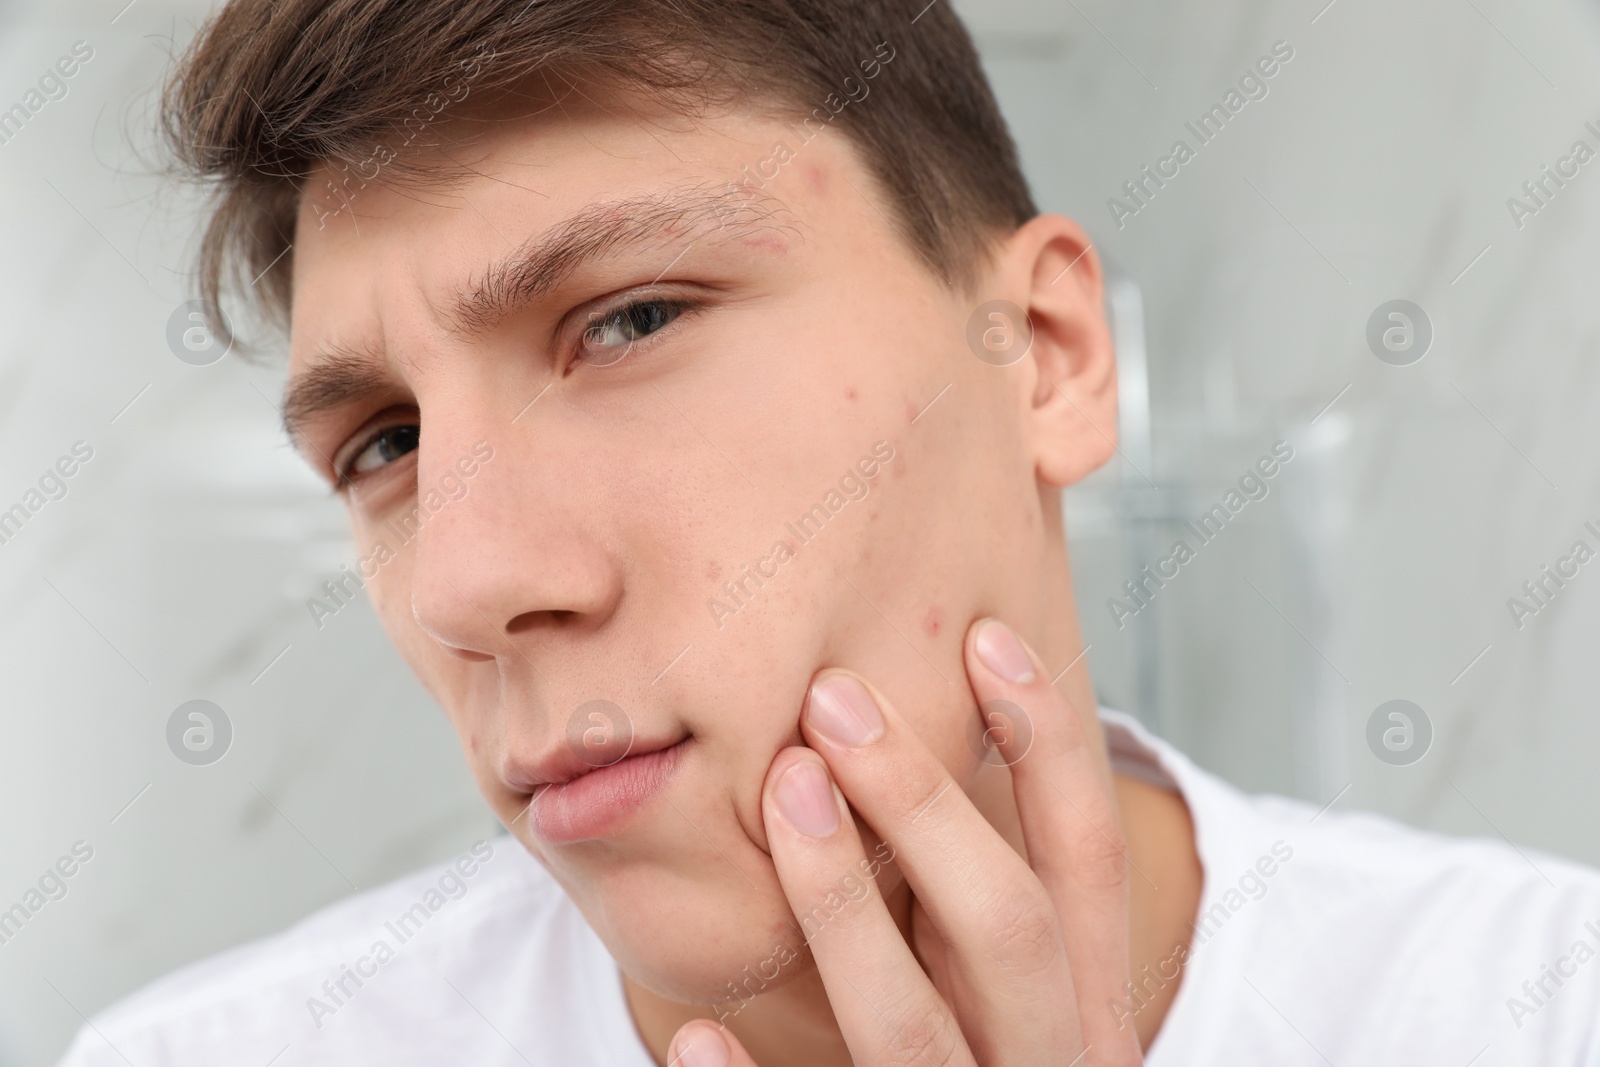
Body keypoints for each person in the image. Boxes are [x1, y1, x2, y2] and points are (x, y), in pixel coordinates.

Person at [61, 1, 1600, 1064]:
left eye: (631, 320)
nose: (471, 585)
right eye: (384, 444)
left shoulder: (1540, 1011)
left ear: (1048, 355)